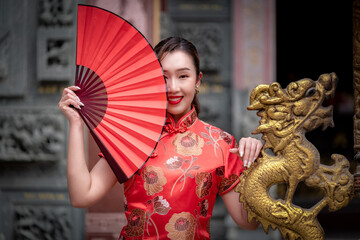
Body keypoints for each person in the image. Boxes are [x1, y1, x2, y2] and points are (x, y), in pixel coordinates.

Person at [58, 37, 262, 239]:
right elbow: (81, 195)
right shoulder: (133, 137)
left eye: (183, 76)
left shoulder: (221, 143)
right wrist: (76, 124)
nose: (173, 87)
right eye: (163, 78)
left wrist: (255, 166)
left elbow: (249, 222)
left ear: (198, 80)